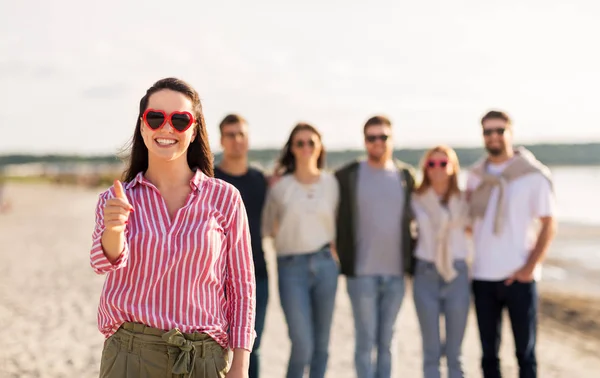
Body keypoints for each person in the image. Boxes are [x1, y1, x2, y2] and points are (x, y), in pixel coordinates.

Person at [89, 77, 255, 378]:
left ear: (193, 130)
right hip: (129, 355)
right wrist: (113, 230)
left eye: (180, 120)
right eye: (155, 118)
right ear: (142, 126)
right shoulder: (115, 198)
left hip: (204, 359)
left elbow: (242, 288)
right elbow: (103, 263)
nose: (167, 128)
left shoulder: (225, 198)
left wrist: (241, 365)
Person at [466, 110, 557, 378]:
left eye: (499, 131)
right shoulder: (475, 176)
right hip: (482, 276)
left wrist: (529, 268)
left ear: (510, 133)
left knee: (525, 355)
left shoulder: (533, 175)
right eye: (488, 132)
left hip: (519, 277)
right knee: (488, 355)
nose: (493, 136)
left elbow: (549, 224)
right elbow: (470, 224)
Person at [334, 115, 416, 378]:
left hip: (396, 275)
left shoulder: (406, 177)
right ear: (365, 141)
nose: (378, 142)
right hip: (361, 275)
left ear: (392, 140)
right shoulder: (348, 175)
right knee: (364, 341)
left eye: (383, 137)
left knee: (388, 342)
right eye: (372, 137)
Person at [262, 123, 339, 378]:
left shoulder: (332, 184)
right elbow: (267, 227)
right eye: (300, 143)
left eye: (311, 142)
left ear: (319, 147)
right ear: (292, 149)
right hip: (290, 267)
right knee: (302, 344)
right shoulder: (280, 187)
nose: (306, 147)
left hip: (326, 265)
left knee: (322, 346)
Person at [214, 114, 268, 378]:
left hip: (257, 274)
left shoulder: (261, 180)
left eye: (241, 134)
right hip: (213, 278)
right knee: (213, 345)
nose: (237, 140)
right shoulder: (209, 178)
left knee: (250, 346)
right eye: (231, 135)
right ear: (221, 140)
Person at [412, 145, 471, 378]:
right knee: (431, 352)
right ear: (425, 168)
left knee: (455, 353)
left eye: (443, 163)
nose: (437, 168)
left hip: (457, 274)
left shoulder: (465, 198)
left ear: (453, 167)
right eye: (431, 163)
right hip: (425, 273)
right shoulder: (415, 199)